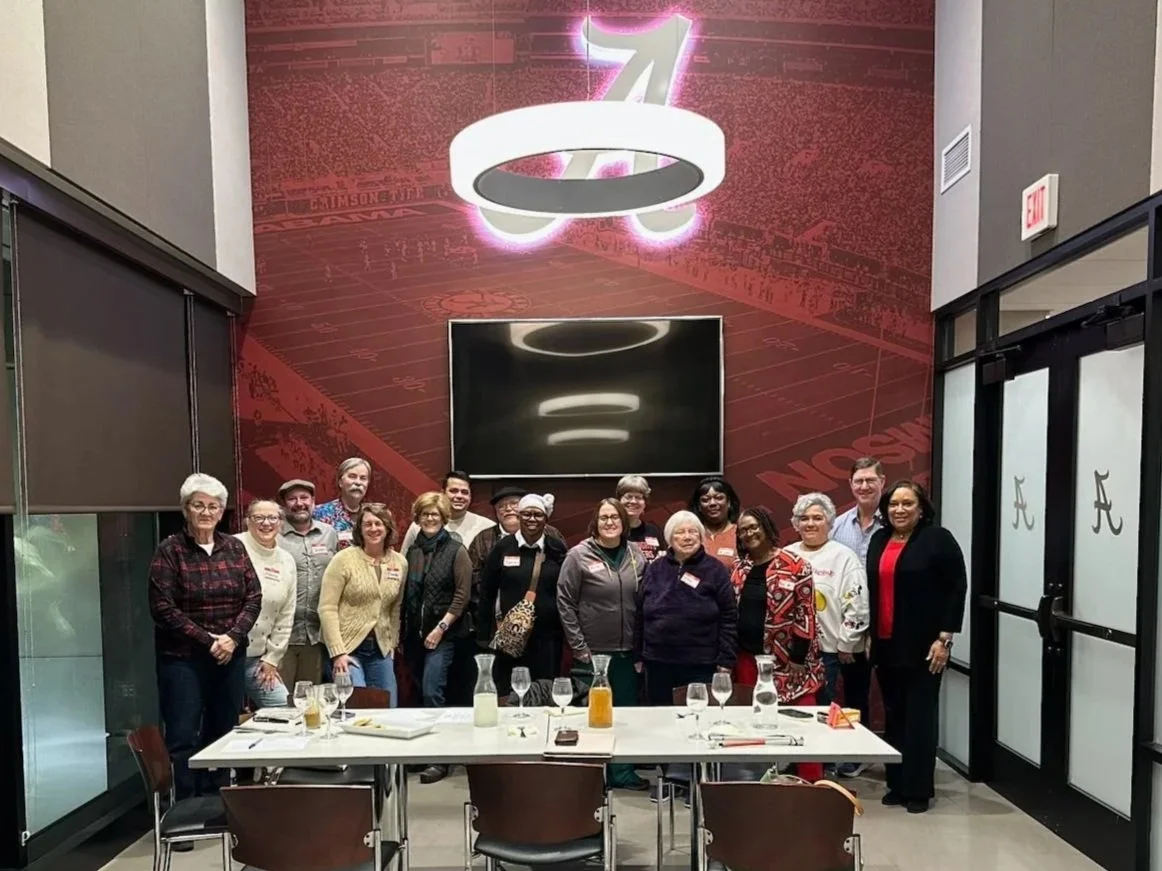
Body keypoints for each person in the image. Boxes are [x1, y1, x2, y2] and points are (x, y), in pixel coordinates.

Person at [148, 473, 261, 799]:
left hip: (230, 654)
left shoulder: (235, 548)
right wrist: (209, 640)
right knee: (183, 735)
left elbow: (253, 597)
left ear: (222, 510)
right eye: (199, 505)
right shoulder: (169, 551)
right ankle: (184, 806)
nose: (206, 512)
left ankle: (217, 804)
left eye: (213, 506)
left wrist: (232, 638)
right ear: (186, 509)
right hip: (182, 659)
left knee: (223, 732)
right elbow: (162, 608)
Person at [867, 480, 967, 814]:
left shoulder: (937, 539)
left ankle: (919, 788)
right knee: (894, 716)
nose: (899, 510)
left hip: (925, 646)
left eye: (907, 503)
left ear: (921, 508)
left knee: (920, 716)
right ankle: (896, 783)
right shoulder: (880, 539)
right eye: (893, 504)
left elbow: (957, 587)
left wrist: (945, 639)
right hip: (886, 643)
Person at [557, 498, 648, 791]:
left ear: (624, 522)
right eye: (604, 518)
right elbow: (565, 602)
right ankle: (591, 776)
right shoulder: (578, 555)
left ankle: (623, 773)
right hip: (593, 652)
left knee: (624, 715)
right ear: (595, 523)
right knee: (593, 717)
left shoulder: (636, 555)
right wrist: (579, 646)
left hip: (628, 652)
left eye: (615, 517)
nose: (610, 522)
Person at [731, 505, 825, 781]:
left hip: (792, 664)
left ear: (766, 527)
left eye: (753, 527)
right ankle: (762, 785)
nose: (749, 533)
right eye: (743, 530)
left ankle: (811, 786)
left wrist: (798, 657)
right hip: (748, 660)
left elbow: (806, 614)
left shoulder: (796, 565)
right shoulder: (740, 568)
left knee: (803, 729)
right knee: (754, 727)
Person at [783, 492, 870, 776]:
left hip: (828, 651)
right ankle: (799, 761)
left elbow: (856, 605)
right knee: (792, 711)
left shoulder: (844, 557)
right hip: (791, 653)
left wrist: (847, 643)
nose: (810, 523)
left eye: (817, 518)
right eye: (804, 518)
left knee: (822, 709)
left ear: (830, 523)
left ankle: (824, 765)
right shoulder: (787, 555)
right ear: (795, 523)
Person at [402, 491, 471, 783]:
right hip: (413, 636)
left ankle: (440, 759)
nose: (430, 519)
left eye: (435, 515)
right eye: (425, 514)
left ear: (444, 518)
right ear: (417, 518)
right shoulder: (413, 551)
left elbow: (462, 595)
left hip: (444, 634)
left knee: (433, 692)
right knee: (418, 694)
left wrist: (440, 628)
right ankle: (424, 753)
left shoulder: (456, 549)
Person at [477, 493, 567, 694]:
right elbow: (487, 591)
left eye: (538, 514)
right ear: (519, 516)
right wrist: (484, 633)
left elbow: (566, 591)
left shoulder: (556, 548)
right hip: (511, 637)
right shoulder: (502, 547)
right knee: (511, 690)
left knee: (544, 689)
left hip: (548, 637)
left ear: (546, 518)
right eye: (527, 514)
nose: (532, 519)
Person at [319, 503, 407, 704]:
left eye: (379, 523)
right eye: (367, 524)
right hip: (348, 649)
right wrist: (337, 652)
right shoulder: (343, 559)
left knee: (388, 707)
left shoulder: (400, 562)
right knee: (357, 707)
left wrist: (391, 643)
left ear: (387, 528)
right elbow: (327, 608)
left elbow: (396, 607)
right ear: (359, 529)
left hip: (380, 650)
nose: (373, 529)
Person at [235, 499, 298, 708]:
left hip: (257, 659)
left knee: (284, 709)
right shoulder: (232, 547)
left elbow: (286, 614)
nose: (266, 523)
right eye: (259, 517)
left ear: (281, 523)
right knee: (221, 720)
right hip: (224, 656)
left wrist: (272, 658)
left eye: (272, 518)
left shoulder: (286, 560)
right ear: (248, 521)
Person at [277, 478, 339, 687]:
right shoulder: (273, 535)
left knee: (309, 700)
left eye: (304, 497)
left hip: (316, 635)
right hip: (282, 636)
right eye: (292, 499)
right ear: (285, 505)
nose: (299, 503)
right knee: (279, 703)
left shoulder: (329, 533)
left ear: (313, 501)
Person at [399, 470, 496, 553]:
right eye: (453, 491)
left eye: (464, 492)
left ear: (470, 497)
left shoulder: (486, 527)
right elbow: (404, 560)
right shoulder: (421, 524)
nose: (459, 496)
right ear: (443, 493)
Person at [831, 457, 886, 565]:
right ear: (851, 484)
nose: (864, 487)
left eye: (870, 480)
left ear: (882, 481)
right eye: (859, 481)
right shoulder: (836, 527)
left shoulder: (895, 524)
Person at [314, 457, 371, 548]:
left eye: (363, 478)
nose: (358, 482)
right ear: (340, 482)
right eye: (352, 476)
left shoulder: (372, 516)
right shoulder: (321, 513)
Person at [688, 476, 741, 569]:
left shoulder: (741, 534)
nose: (712, 503)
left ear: (729, 502)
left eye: (719, 498)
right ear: (699, 506)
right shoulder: (689, 534)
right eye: (705, 500)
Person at [616, 474, 665, 562]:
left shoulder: (654, 530)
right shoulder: (611, 529)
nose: (633, 501)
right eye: (628, 497)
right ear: (619, 500)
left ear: (645, 503)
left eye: (638, 497)